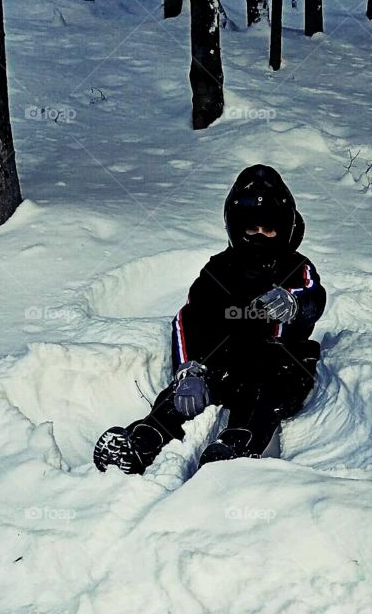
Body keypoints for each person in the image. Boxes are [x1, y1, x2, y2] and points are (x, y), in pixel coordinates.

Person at [93, 164, 327, 473]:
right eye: (251, 229)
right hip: (230, 358)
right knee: (185, 391)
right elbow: (189, 319)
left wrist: (295, 303)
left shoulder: (298, 268)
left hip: (282, 363)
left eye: (268, 229)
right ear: (237, 227)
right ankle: (144, 438)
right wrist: (190, 369)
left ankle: (239, 442)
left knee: (266, 385)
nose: (259, 236)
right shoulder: (219, 270)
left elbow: (315, 296)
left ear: (283, 229)